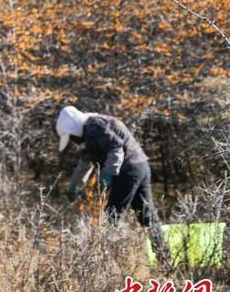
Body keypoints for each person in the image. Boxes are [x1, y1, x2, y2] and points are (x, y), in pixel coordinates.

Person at [55, 105, 170, 267]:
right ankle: (166, 261)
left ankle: (115, 262)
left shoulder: (95, 126)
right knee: (147, 216)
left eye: (72, 137)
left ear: (73, 128)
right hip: (140, 165)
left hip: (128, 170)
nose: (73, 140)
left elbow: (116, 149)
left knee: (112, 216)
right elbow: (85, 161)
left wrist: (107, 175)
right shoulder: (91, 129)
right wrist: (74, 185)